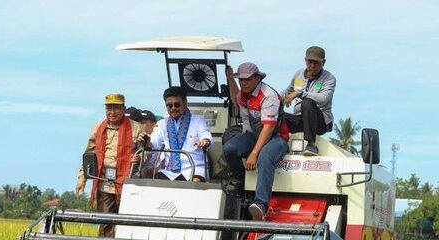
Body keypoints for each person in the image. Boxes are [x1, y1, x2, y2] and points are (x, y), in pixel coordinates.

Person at [223, 62, 289, 221]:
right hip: (254, 135)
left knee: (265, 156)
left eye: (247, 79)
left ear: (257, 78)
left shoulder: (269, 96)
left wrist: (253, 153)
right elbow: (236, 101)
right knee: (230, 148)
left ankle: (260, 204)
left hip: (276, 137)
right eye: (241, 80)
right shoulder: (243, 95)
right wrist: (230, 78)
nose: (244, 83)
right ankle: (240, 179)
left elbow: (268, 128)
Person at [75, 93, 144, 237]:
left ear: (123, 109)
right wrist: (82, 179)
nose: (112, 112)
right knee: (106, 224)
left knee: (126, 224)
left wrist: (138, 158)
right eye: (109, 108)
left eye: (116, 108)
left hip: (128, 183)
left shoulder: (136, 128)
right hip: (104, 182)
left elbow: (147, 153)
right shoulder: (98, 128)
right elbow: (88, 155)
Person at [139, 87, 212, 182]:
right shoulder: (162, 124)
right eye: (169, 106)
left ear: (185, 103)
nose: (173, 108)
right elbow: (154, 142)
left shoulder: (198, 121)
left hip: (194, 170)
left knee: (195, 185)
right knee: (156, 184)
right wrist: (147, 141)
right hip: (169, 172)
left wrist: (205, 140)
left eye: (177, 105)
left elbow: (205, 135)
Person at [280, 46, 336, 156]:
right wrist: (272, 99)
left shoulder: (329, 78)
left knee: (308, 102)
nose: (312, 66)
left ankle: (311, 145)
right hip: (300, 120)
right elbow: (287, 92)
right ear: (305, 61)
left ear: (323, 63)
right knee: (276, 114)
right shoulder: (298, 75)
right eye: (310, 62)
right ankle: (281, 144)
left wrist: (300, 93)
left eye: (316, 63)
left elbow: (324, 99)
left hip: (320, 122)